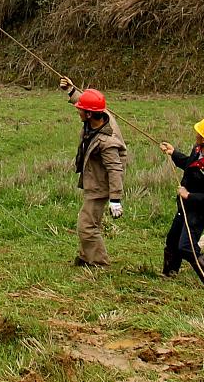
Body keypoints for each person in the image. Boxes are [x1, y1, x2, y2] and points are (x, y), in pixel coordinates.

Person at [59, 78, 126, 267]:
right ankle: (85, 256)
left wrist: (115, 199)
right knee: (86, 220)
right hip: (93, 179)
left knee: (87, 226)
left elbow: (115, 169)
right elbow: (89, 101)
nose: (77, 110)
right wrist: (72, 91)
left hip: (101, 185)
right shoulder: (101, 115)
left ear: (89, 114)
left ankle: (98, 263)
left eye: (80, 109)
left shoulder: (107, 142)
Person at [160, 116, 204, 284]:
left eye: (199, 132)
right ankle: (170, 273)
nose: (196, 134)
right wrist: (174, 153)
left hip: (200, 211)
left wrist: (189, 195)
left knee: (186, 246)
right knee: (173, 240)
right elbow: (189, 164)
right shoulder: (198, 150)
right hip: (186, 206)